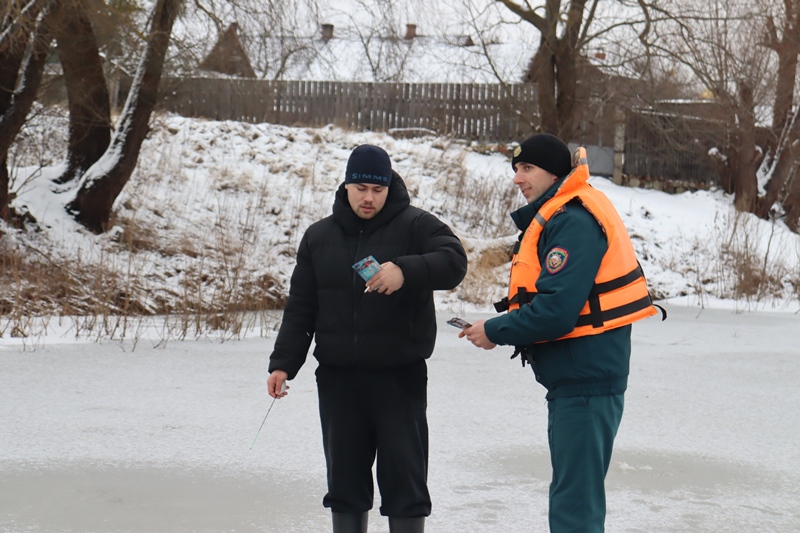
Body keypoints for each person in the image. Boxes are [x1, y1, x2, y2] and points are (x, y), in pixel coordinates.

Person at [459, 133, 663, 533]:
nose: (517, 178)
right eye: (515, 169)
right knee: (573, 498)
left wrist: (495, 330)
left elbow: (556, 312)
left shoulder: (572, 220)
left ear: (554, 172)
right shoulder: (562, 213)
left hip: (587, 381)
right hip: (579, 379)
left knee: (575, 508)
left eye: (527, 168)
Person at [267, 144, 468, 533]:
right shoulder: (317, 237)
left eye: (377, 189)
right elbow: (301, 308)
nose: (369, 198)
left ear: (389, 187)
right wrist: (283, 363)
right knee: (345, 482)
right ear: (346, 186)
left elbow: (454, 261)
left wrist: (405, 271)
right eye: (360, 188)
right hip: (339, 380)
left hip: (399, 378)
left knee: (404, 479)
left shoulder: (415, 226)